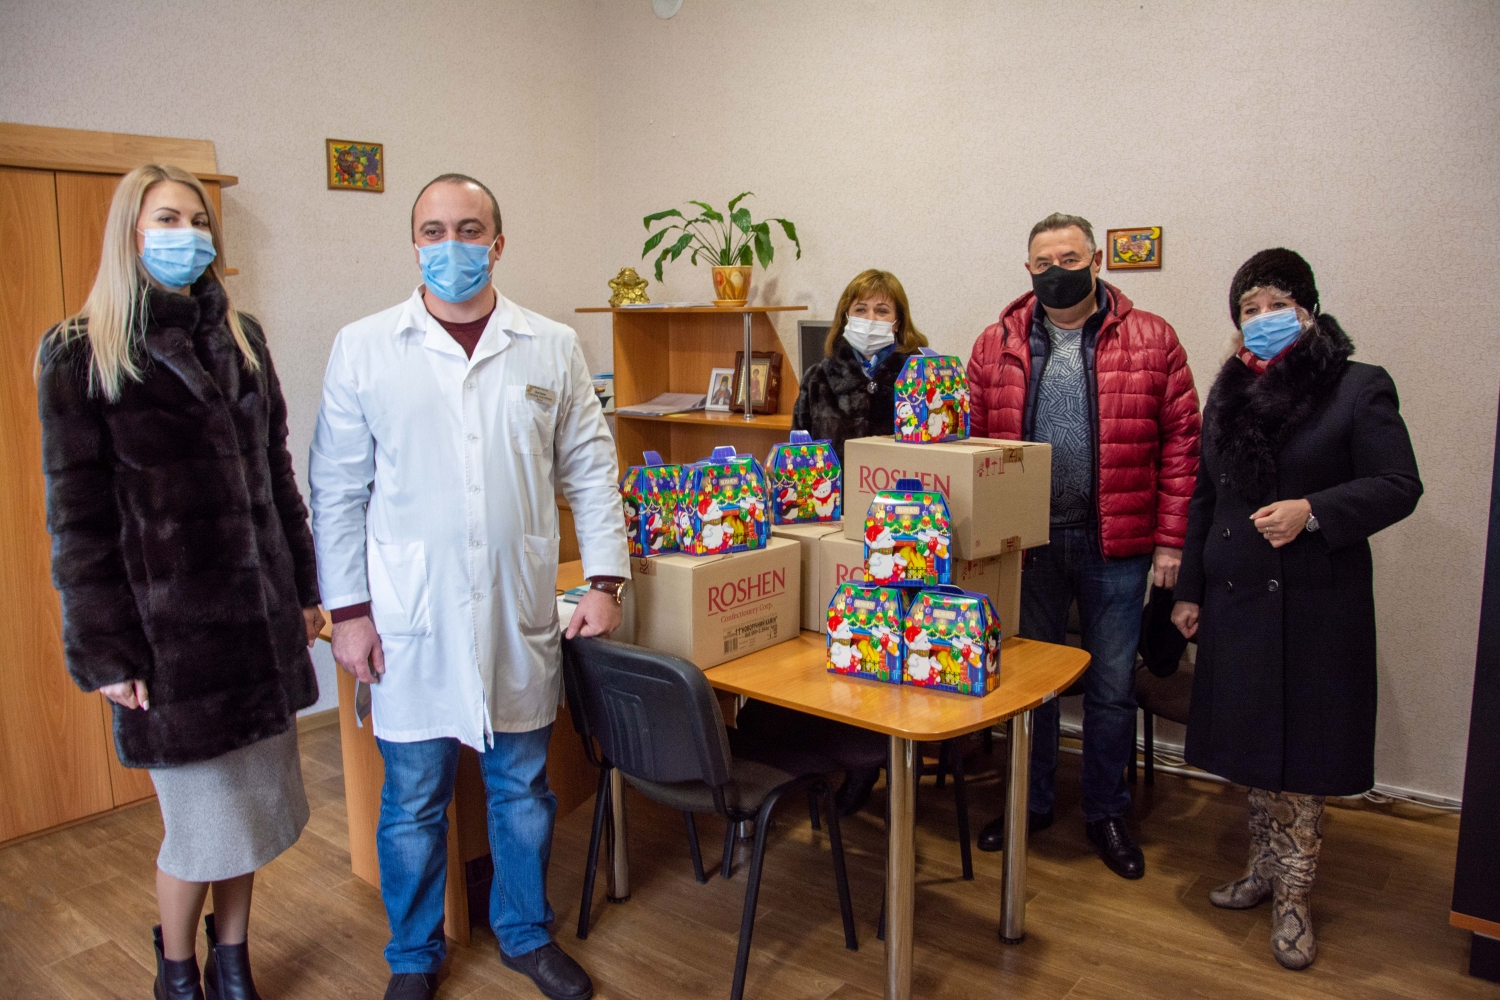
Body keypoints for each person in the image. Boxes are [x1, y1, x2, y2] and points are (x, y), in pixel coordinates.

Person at [309, 173, 628, 1000]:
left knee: (522, 789)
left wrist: (604, 580)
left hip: (516, 610)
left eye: (469, 229)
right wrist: (348, 613)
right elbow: (336, 490)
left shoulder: (549, 345)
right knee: (413, 799)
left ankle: (524, 933)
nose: (451, 245)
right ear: (414, 243)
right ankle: (413, 956)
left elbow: (591, 469)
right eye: (434, 230)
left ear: (498, 243)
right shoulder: (365, 346)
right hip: (407, 619)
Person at [37, 163, 323, 1000]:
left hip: (258, 631)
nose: (187, 234)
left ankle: (231, 958)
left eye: (198, 220)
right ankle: (177, 969)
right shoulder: (79, 352)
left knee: (251, 820)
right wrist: (106, 651)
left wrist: (305, 592)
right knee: (199, 830)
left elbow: (276, 478)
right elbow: (78, 521)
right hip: (171, 648)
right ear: (130, 232)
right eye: (167, 218)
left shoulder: (242, 339)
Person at [1172, 249, 1421, 970]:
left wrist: (1312, 511)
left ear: (1308, 310)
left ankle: (1294, 897)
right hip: (1239, 602)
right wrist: (1189, 590)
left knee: (1299, 762)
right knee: (1258, 752)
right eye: (1249, 309)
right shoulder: (1230, 393)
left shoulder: (1356, 386)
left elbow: (1398, 483)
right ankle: (1262, 870)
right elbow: (1206, 498)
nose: (1263, 318)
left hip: (1314, 607)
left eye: (1276, 304)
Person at [966, 213, 1201, 879]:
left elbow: (1184, 447)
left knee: (1110, 689)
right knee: (1030, 684)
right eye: (1043, 262)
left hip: (1117, 547)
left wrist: (1171, 543)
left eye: (1069, 258)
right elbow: (972, 446)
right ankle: (1032, 802)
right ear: (1028, 269)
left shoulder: (1153, 338)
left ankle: (1105, 811)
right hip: (1029, 546)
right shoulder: (995, 344)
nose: (1056, 272)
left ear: (1097, 262)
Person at [792, 268, 930, 460]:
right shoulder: (817, 378)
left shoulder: (923, 376)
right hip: (835, 481)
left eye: (881, 311)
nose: (870, 319)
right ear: (846, 318)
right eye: (860, 310)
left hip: (900, 480)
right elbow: (799, 457)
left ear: (898, 322)